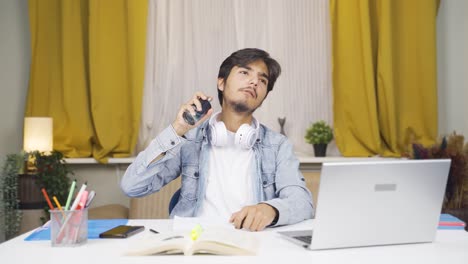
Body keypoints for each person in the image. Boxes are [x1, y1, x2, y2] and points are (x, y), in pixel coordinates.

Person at [121, 48, 314, 231]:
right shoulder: (190, 139)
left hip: (251, 243)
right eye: (245, 73)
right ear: (221, 82)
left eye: (262, 80)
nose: (254, 82)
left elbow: (302, 202)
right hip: (194, 241)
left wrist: (271, 209)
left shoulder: (278, 145)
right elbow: (132, 186)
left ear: (264, 95)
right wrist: (177, 129)